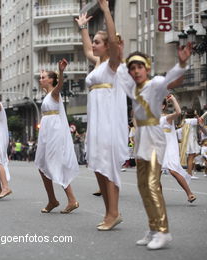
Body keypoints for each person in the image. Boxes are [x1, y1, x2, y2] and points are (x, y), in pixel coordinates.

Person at [115, 30, 192, 248]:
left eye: (139, 67)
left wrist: (182, 63)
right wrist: (120, 53)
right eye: (132, 68)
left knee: (151, 184)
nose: (135, 71)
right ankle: (152, 228)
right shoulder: (132, 87)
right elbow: (119, 70)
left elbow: (172, 80)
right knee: (142, 186)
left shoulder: (155, 84)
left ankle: (164, 231)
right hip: (140, 139)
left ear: (146, 68)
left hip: (156, 137)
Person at [75, 0, 128, 230]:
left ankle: (114, 212)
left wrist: (106, 10)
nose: (94, 45)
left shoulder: (114, 64)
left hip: (109, 122)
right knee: (97, 166)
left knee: (108, 167)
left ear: (108, 46)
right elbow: (87, 49)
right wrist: (83, 28)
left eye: (98, 42)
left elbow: (114, 41)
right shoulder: (98, 63)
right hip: (96, 122)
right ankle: (109, 213)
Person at [35, 59, 80, 214]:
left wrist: (61, 72)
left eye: (43, 77)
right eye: (40, 78)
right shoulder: (46, 95)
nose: (40, 79)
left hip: (54, 132)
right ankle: (52, 200)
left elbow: (60, 85)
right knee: (42, 165)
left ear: (51, 80)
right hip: (46, 132)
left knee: (56, 164)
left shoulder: (54, 93)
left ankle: (72, 200)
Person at [160, 95, 196, 203]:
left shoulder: (166, 118)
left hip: (168, 148)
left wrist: (173, 99)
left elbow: (178, 112)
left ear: (163, 106)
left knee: (173, 170)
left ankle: (189, 193)